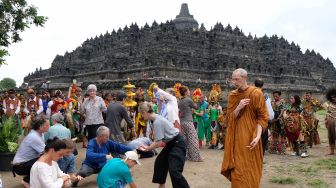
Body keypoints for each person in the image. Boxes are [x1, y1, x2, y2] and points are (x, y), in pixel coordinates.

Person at [221, 68, 269, 187]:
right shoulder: (233, 95)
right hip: (237, 139)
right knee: (237, 169)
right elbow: (229, 118)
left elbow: (262, 118)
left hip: (251, 137)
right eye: (233, 79)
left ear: (245, 78)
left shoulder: (256, 93)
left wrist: (258, 136)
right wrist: (239, 107)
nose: (234, 82)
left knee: (251, 168)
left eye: (236, 79)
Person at [139, 102, 190, 188]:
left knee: (174, 171)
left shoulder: (157, 121)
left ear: (145, 112)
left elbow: (158, 143)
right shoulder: (155, 117)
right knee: (160, 162)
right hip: (171, 143)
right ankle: (161, 185)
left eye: (142, 115)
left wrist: (148, 148)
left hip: (178, 143)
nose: (142, 117)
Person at [12, 115, 50, 188]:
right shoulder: (34, 136)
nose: (49, 126)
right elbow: (47, 152)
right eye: (47, 125)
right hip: (20, 166)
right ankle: (26, 180)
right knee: (46, 159)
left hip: (24, 163)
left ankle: (33, 179)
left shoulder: (40, 134)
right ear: (40, 126)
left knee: (44, 158)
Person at [178, 86, 203, 162]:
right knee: (193, 139)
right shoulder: (188, 100)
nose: (189, 92)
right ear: (185, 92)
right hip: (188, 121)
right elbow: (196, 107)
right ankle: (196, 157)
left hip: (182, 122)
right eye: (188, 91)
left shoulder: (180, 101)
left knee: (185, 140)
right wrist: (199, 101)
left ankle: (186, 156)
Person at [254, 78, 275, 155]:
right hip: (262, 122)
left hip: (251, 122)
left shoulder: (250, 94)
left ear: (254, 85)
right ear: (262, 86)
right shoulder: (265, 96)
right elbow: (270, 113)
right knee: (262, 141)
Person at [323, 87, 336, 155]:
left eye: (335, 96)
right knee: (331, 136)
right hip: (331, 121)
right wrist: (327, 119)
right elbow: (327, 113)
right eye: (332, 97)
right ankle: (332, 151)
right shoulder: (328, 104)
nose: (334, 98)